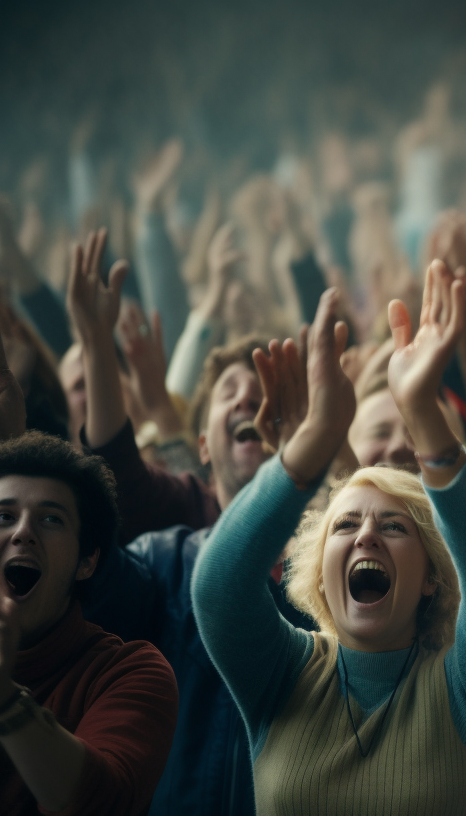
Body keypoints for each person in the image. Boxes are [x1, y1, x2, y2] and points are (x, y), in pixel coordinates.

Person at [193, 266, 466, 814]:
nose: (367, 536)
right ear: (317, 573)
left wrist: (422, 412)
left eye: (394, 526)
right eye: (346, 525)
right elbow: (217, 587)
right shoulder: (283, 674)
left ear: (430, 578)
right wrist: (313, 440)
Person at [70, 228, 308, 815]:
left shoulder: (335, 550)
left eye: (260, 392)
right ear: (201, 445)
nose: (245, 400)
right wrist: (99, 345)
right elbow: (115, 471)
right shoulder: (171, 550)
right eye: (229, 390)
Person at [0, 428, 178, 816]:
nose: (23, 532)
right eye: (4, 516)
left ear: (87, 561)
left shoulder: (129, 671)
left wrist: (6, 701)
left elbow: (101, 801)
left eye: (51, 519)